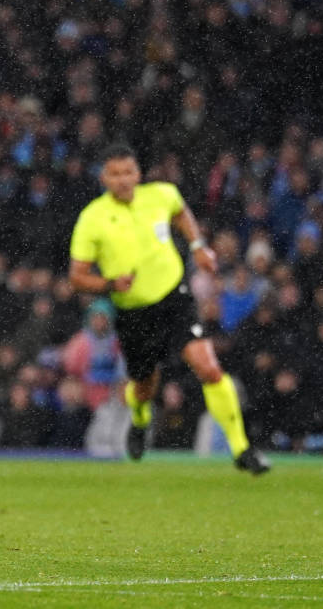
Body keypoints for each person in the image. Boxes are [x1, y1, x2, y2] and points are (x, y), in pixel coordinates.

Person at [67, 143, 269, 473]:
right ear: (104, 177)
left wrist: (199, 246)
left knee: (208, 368)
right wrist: (109, 285)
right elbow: (76, 277)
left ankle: (242, 449)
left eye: (128, 172)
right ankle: (140, 418)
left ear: (138, 173)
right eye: (115, 174)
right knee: (145, 386)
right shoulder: (92, 219)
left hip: (175, 298)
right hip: (133, 312)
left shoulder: (161, 194)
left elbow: (180, 212)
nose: (123, 179)